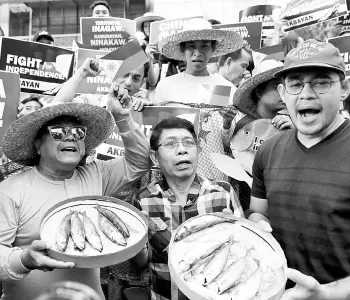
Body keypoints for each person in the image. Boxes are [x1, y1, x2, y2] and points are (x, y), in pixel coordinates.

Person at [0, 85, 151, 300]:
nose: (70, 137)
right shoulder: (10, 191)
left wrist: (123, 118)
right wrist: (25, 259)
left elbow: (140, 162)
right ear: (37, 144)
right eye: (58, 132)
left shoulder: (97, 174)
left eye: (78, 132)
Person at [249, 40, 350, 299]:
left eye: (321, 82)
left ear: (344, 89)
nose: (306, 94)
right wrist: (256, 226)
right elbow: (258, 212)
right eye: (295, 84)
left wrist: (327, 294)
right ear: (283, 92)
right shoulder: (268, 151)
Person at [131, 117, 244, 300]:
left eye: (188, 143)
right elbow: (141, 263)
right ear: (154, 157)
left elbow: (241, 253)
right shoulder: (144, 199)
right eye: (170, 144)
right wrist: (135, 241)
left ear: (198, 150)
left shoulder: (222, 192)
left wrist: (234, 234)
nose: (182, 150)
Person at [154, 18, 243, 181]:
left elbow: (231, 144)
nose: (197, 52)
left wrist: (227, 123)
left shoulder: (225, 87)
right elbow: (157, 134)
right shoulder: (166, 86)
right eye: (191, 46)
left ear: (213, 48)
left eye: (204, 45)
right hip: (175, 174)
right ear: (182, 49)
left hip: (214, 176)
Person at [232, 59, 293, 132]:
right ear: (259, 92)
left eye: (285, 86)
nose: (284, 92)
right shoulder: (245, 126)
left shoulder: (287, 122)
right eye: (277, 87)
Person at [135, 13, 165, 90]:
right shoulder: (140, 45)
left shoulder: (164, 43)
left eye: (151, 25)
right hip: (145, 88)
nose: (148, 28)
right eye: (145, 26)